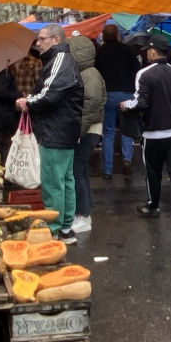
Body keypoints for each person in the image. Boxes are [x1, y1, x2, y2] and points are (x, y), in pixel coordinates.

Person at [18, 27, 84, 239]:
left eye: (41, 39)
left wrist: (27, 102)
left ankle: (55, 230)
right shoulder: (63, 60)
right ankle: (65, 228)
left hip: (55, 130)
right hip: (64, 130)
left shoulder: (60, 60)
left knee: (53, 182)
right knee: (65, 181)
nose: (38, 43)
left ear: (56, 39)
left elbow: (49, 94)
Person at [125, 39, 171, 225]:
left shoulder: (144, 74)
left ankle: (153, 206)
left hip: (152, 134)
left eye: (148, 51)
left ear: (154, 52)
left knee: (153, 172)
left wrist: (125, 106)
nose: (147, 53)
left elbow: (140, 101)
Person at [68, 33, 105, 233]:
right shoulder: (88, 73)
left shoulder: (89, 75)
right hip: (88, 129)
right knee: (80, 171)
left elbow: (90, 107)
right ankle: (84, 210)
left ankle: (83, 216)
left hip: (87, 131)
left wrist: (78, 133)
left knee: (77, 171)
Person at [96, 26, 140, 178]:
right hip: (125, 94)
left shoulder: (99, 52)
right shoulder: (127, 50)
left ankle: (108, 170)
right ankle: (127, 160)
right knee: (126, 129)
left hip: (107, 93)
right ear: (117, 35)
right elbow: (137, 70)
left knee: (108, 132)